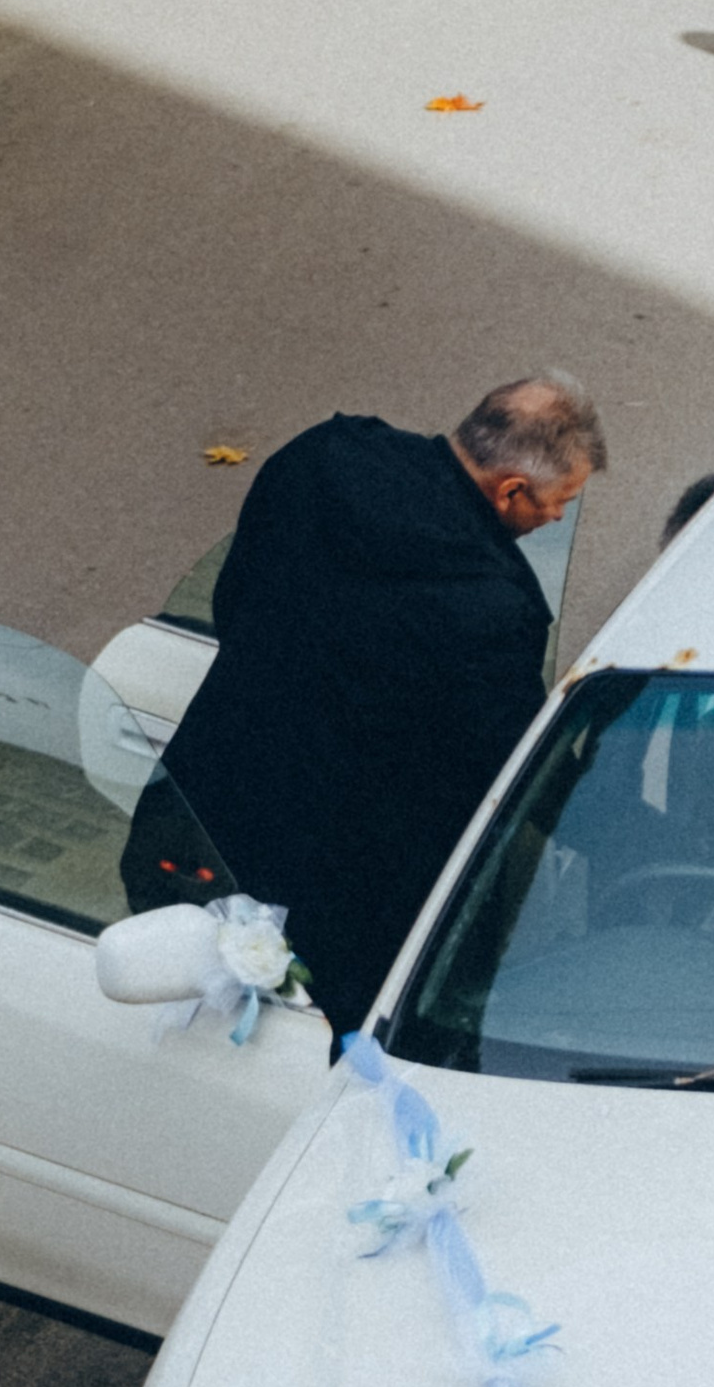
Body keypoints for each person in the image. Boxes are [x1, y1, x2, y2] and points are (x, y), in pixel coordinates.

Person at [136, 376, 606, 1039]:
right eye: (559, 502)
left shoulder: (321, 457)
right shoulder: (494, 608)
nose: (557, 517)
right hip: (341, 897)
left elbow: (235, 601)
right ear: (510, 490)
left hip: (200, 813)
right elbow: (510, 769)